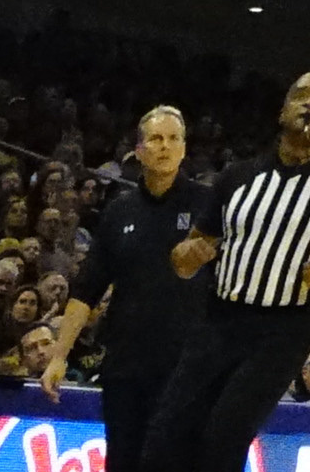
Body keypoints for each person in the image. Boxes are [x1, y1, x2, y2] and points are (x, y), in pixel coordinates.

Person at [144, 74, 310, 472]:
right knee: (166, 431)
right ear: (282, 110)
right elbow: (185, 257)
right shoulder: (237, 177)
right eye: (301, 95)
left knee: (225, 433)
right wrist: (190, 255)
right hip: (217, 319)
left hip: (283, 330)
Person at [41, 106, 209, 472]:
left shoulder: (208, 206)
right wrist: (58, 356)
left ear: (183, 148)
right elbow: (87, 289)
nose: (165, 146)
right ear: (138, 150)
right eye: (156, 138)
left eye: (173, 138)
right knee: (123, 461)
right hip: (126, 364)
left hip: (187, 366)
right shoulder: (119, 211)